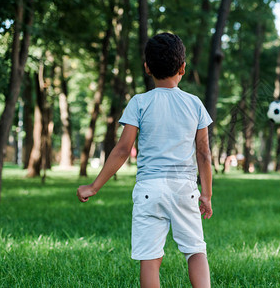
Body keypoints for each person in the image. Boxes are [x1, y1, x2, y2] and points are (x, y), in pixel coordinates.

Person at [77, 32, 213, 288]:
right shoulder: (194, 104)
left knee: (150, 258)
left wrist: (94, 186)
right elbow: (204, 153)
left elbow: (122, 149)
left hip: (149, 189)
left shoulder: (140, 103)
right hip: (185, 188)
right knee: (195, 250)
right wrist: (206, 194)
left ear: (147, 67)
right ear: (183, 67)